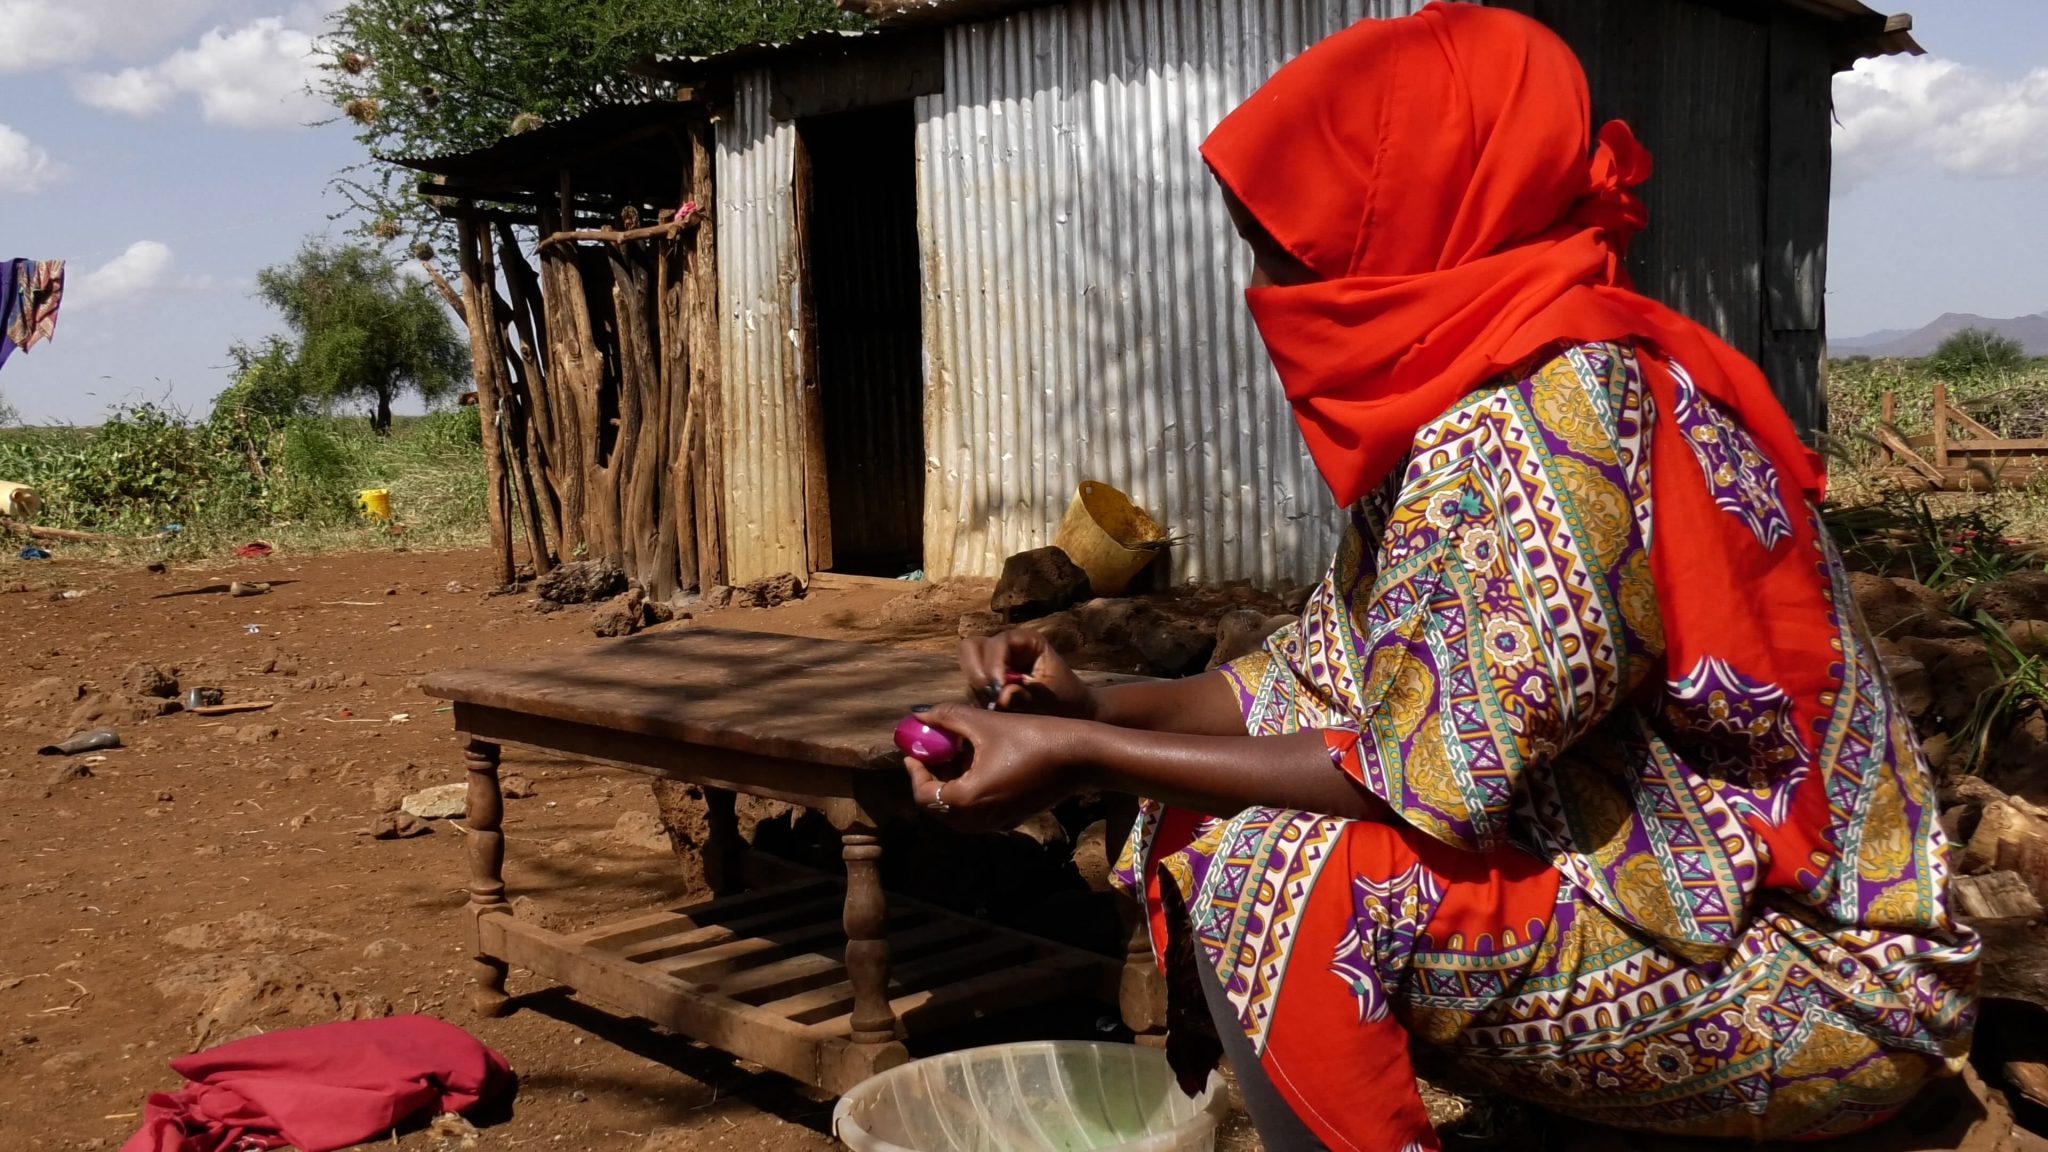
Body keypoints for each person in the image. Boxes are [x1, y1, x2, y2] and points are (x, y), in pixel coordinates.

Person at [902, 5, 1977, 1150]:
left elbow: (1422, 772)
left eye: (1295, 251)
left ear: (1420, 220)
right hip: (1676, 899)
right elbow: (1318, 681)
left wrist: (1080, 756)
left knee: (1276, 878)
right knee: (1215, 804)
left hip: (1818, 976)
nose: (1264, 286)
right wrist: (1085, 706)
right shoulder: (1475, 399)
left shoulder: (1548, 420)